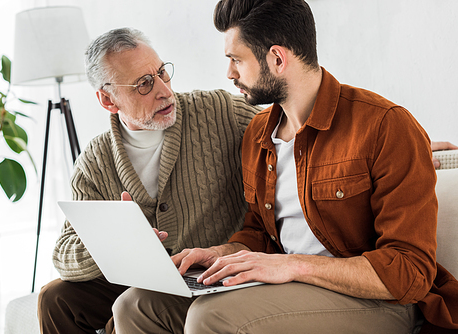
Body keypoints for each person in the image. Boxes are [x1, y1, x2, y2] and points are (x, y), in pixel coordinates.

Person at [112, 1, 458, 333]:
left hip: (379, 303)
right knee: (136, 306)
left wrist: (293, 266)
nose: (229, 73)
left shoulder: (384, 125)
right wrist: (221, 254)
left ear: (277, 58)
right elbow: (260, 233)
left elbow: (409, 272)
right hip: (288, 290)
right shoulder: (259, 133)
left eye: (236, 59)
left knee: (210, 317)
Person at [37, 27, 261, 334]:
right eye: (144, 84)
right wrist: (118, 241)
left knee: (129, 309)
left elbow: (282, 131)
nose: (164, 90)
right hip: (146, 282)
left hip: (212, 274)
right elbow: (64, 253)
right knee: (55, 299)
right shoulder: (95, 160)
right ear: (107, 99)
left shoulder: (218, 112)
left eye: (161, 73)